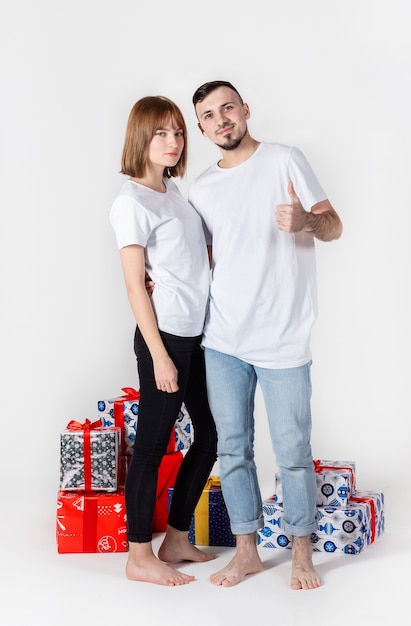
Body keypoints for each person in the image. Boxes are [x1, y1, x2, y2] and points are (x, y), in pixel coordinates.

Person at [188, 80, 343, 590]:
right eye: (208, 115)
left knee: (293, 448)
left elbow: (334, 225)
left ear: (245, 110)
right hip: (224, 337)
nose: (221, 120)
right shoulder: (203, 187)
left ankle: (302, 554)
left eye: (227, 108)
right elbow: (207, 258)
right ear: (203, 128)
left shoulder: (284, 159)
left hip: (283, 337)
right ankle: (248, 551)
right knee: (233, 448)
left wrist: (305, 220)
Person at [110, 96, 218, 586]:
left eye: (178, 133)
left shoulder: (173, 191)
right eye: (162, 134)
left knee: (210, 436)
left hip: (195, 334)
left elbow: (192, 261)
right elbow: (135, 284)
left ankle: (176, 537)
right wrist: (159, 356)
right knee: (152, 446)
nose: (174, 142)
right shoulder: (130, 201)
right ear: (142, 138)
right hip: (166, 338)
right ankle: (138, 557)